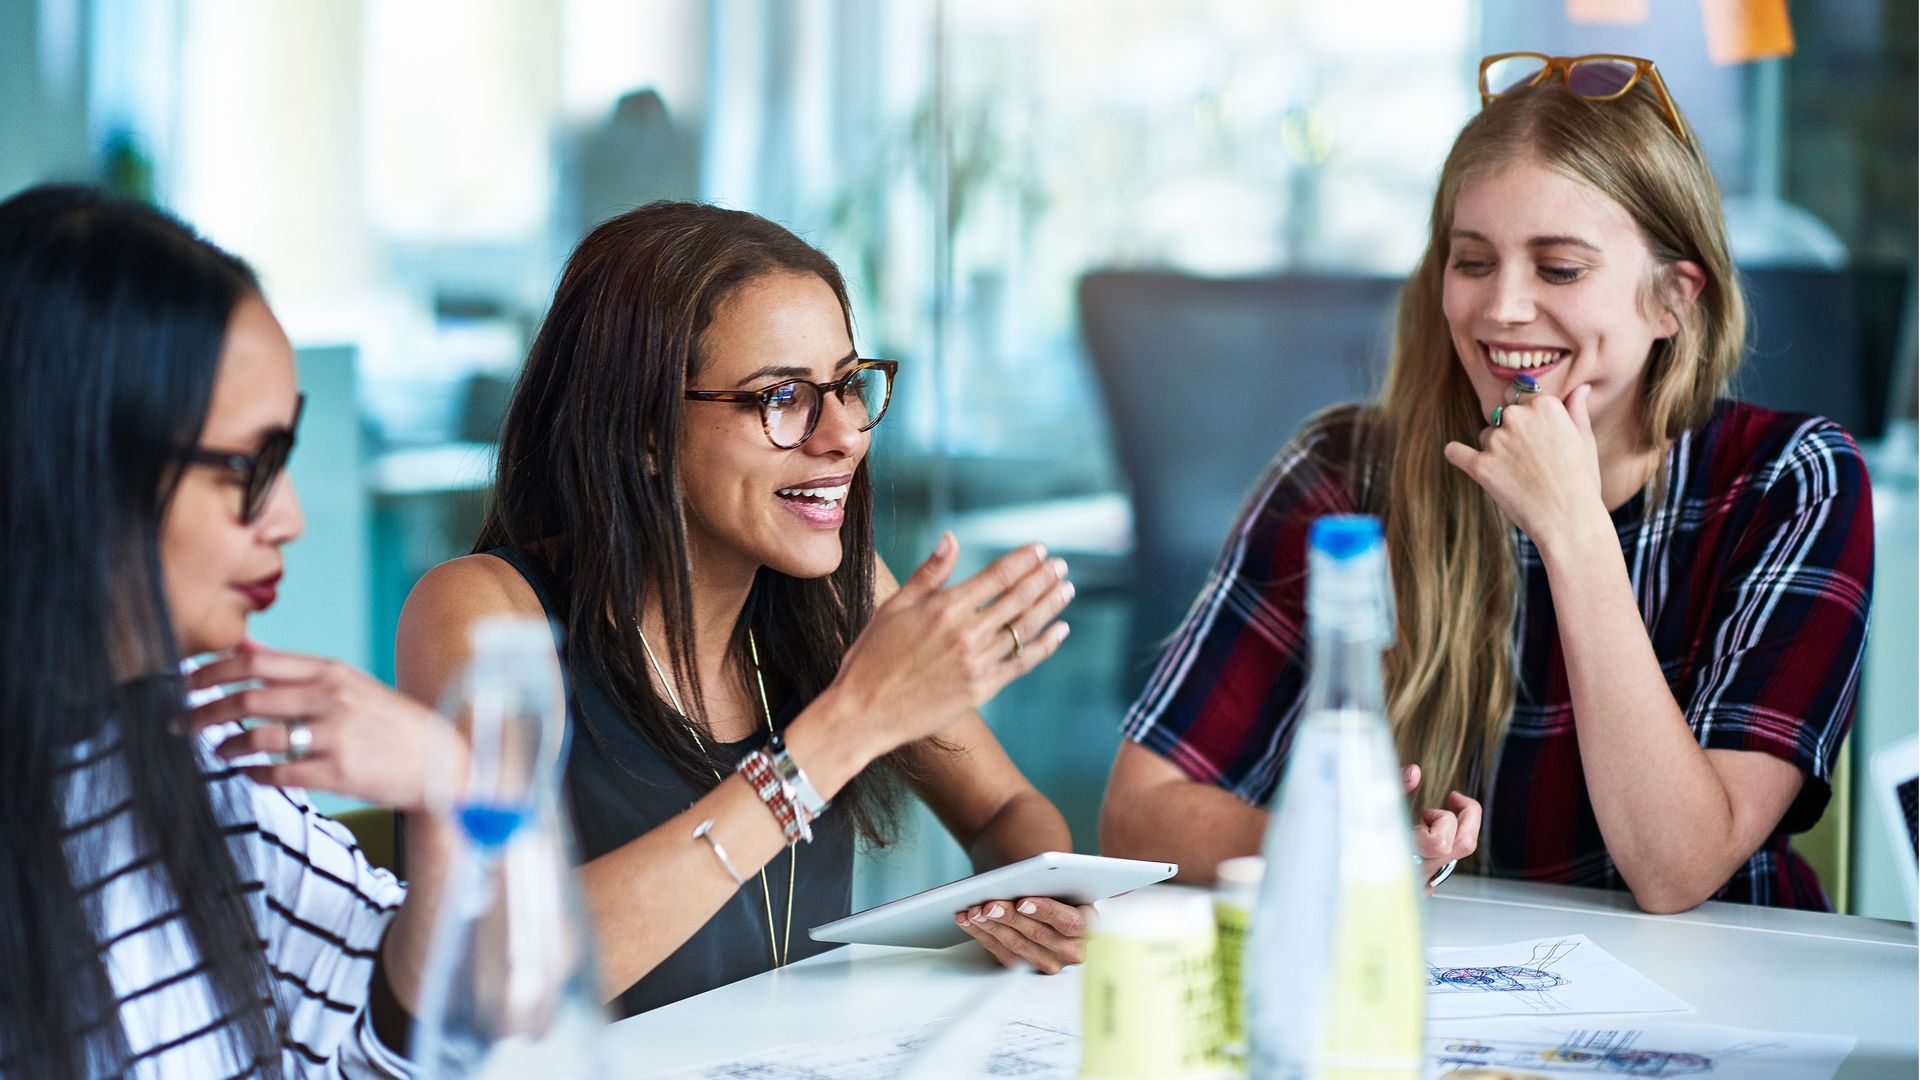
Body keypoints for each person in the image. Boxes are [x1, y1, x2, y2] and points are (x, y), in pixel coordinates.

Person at [1101, 53, 1873, 913]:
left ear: (1673, 299)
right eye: (1472, 262)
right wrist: (1355, 847)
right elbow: (1142, 814)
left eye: (1559, 268)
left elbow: (1677, 869)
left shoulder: (1790, 481)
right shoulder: (1345, 473)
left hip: (1725, 992)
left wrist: (1572, 529)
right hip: (1450, 988)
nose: (1502, 308)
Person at [397, 201, 1082, 1018]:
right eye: (783, 396)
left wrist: (1039, 906)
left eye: (847, 385)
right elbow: (498, 980)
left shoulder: (838, 590)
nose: (844, 436)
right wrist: (843, 732)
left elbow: (1008, 809)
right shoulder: (483, 615)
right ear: (641, 427)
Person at [0, 185, 460, 1077]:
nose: (287, 517)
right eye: (249, 466)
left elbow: (397, 1049)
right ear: (79, 464)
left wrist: (448, 795)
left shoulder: (192, 764)